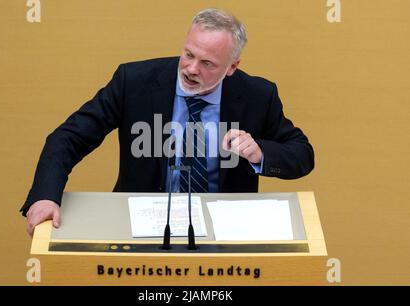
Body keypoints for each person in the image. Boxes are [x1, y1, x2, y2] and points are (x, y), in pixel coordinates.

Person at [21, 8, 314, 236]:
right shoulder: (133, 82)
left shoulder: (257, 96)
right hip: (141, 225)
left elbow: (302, 154)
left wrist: (260, 153)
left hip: (223, 233)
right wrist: (46, 196)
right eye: (188, 54)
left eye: (207, 63)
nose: (190, 69)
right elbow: (68, 137)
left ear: (232, 67)